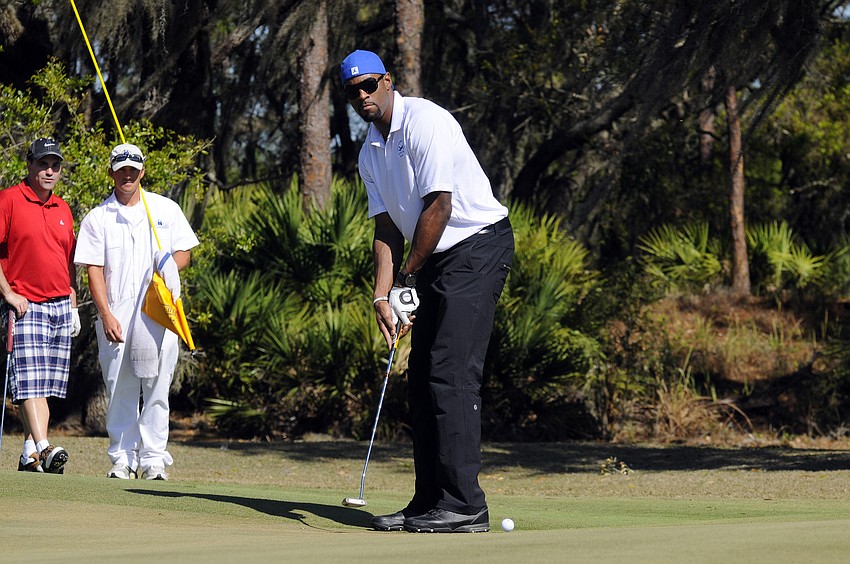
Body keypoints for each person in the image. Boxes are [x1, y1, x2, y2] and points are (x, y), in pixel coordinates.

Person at [341, 50, 514, 533]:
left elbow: (439, 205)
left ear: (388, 82)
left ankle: (465, 506)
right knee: (421, 380)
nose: (362, 96)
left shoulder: (426, 122)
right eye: (353, 91)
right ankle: (430, 501)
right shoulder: (368, 152)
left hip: (476, 247)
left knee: (450, 372)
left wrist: (406, 280)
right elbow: (386, 228)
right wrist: (381, 294)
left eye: (369, 85)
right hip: (432, 257)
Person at [74, 143, 199, 480]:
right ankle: (122, 458)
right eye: (120, 168)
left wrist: (169, 264)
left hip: (159, 313)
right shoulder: (98, 217)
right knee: (119, 387)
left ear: (142, 171)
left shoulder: (165, 209)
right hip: (117, 314)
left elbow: (184, 252)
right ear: (111, 172)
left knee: (158, 387)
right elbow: (94, 270)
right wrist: (105, 314)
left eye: (133, 168)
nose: (127, 174)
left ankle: (153, 459)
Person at [0, 137, 80, 473]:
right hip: (25, 305)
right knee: (30, 382)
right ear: (29, 165)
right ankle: (46, 449)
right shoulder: (9, 200)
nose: (49, 171)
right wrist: (8, 294)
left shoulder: (62, 208)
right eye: (43, 164)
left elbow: (69, 259)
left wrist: (73, 300)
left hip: (61, 306)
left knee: (45, 385)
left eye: (55, 166)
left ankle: (30, 454)